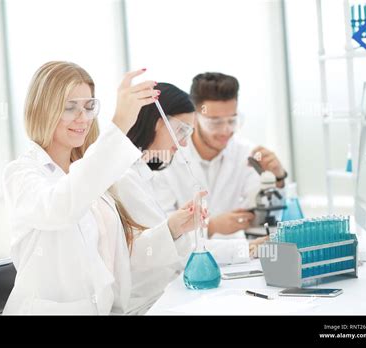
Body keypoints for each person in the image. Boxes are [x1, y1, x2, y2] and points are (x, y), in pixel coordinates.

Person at [2, 62, 198, 315]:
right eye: (69, 107)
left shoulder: (89, 175)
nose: (82, 118)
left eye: (88, 106)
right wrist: (119, 125)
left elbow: (118, 260)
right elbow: (61, 208)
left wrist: (172, 229)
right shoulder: (21, 174)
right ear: (43, 109)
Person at [114, 83, 268, 273]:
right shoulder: (126, 179)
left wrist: (249, 248)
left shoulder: (144, 176)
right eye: (181, 131)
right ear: (158, 123)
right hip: (149, 296)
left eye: (188, 132)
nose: (184, 142)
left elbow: (180, 248)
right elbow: (149, 254)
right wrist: (175, 227)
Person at [153, 73, 288, 240]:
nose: (226, 131)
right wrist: (211, 227)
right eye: (215, 122)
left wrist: (278, 178)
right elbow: (159, 231)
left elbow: (265, 218)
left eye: (232, 121)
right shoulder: (167, 157)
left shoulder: (246, 154)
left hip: (237, 259)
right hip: (183, 264)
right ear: (194, 117)